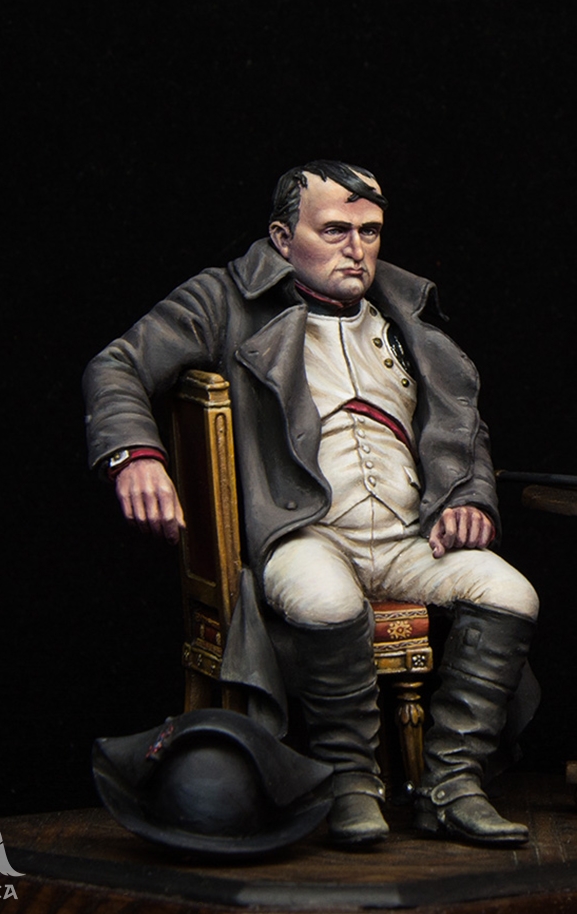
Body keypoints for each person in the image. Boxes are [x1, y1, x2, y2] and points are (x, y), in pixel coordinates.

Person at [83, 161, 539, 848]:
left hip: (408, 537)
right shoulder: (224, 300)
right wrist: (135, 455)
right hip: (304, 533)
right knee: (327, 601)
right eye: (334, 231)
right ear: (281, 237)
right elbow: (116, 364)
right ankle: (351, 782)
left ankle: (452, 784)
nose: (356, 249)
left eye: (369, 231)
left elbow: (462, 425)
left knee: (512, 594)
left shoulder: (407, 313)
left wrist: (469, 497)